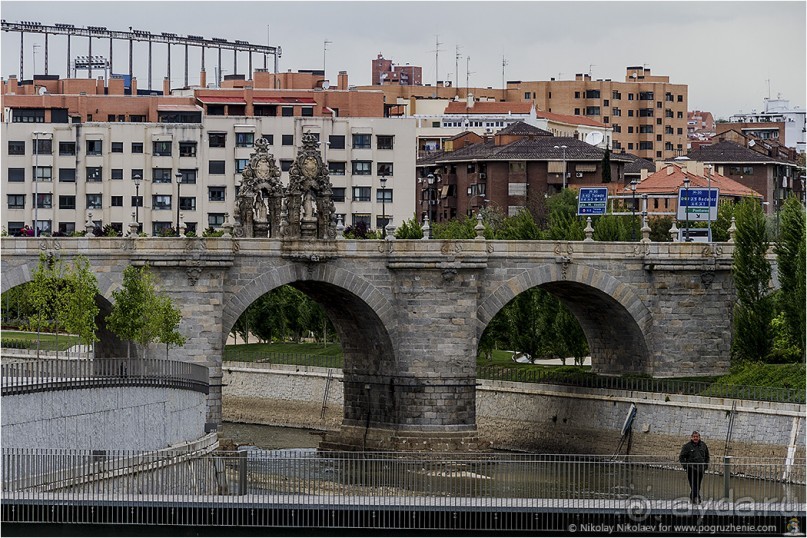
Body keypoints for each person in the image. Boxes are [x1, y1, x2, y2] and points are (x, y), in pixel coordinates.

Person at [679, 430, 710, 504]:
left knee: (698, 485)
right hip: (691, 469)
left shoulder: (703, 445)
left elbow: (707, 456)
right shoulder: (687, 446)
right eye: (694, 437)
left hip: (700, 469)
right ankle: (697, 498)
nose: (695, 438)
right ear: (691, 437)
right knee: (693, 485)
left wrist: (705, 465)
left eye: (697, 437)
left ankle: (693, 498)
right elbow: (681, 457)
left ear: (699, 437)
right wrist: (685, 466)